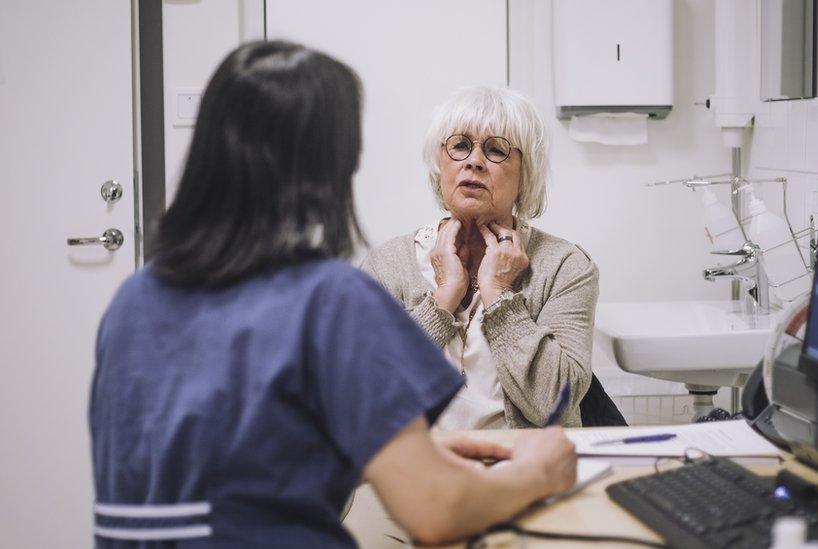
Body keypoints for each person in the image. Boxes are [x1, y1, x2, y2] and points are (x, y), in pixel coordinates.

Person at [88, 41, 576, 548]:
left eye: (496, 150)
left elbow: (243, 469)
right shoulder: (330, 299)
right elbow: (436, 511)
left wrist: (417, 453)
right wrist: (543, 471)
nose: (474, 162)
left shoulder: (134, 300)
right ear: (330, 166)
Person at [363, 86, 625, 429]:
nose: (473, 161)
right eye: (459, 146)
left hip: (526, 474)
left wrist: (499, 295)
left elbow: (555, 406)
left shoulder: (565, 266)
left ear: (524, 175)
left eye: (495, 150)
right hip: (419, 475)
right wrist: (442, 298)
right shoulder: (387, 265)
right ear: (440, 166)